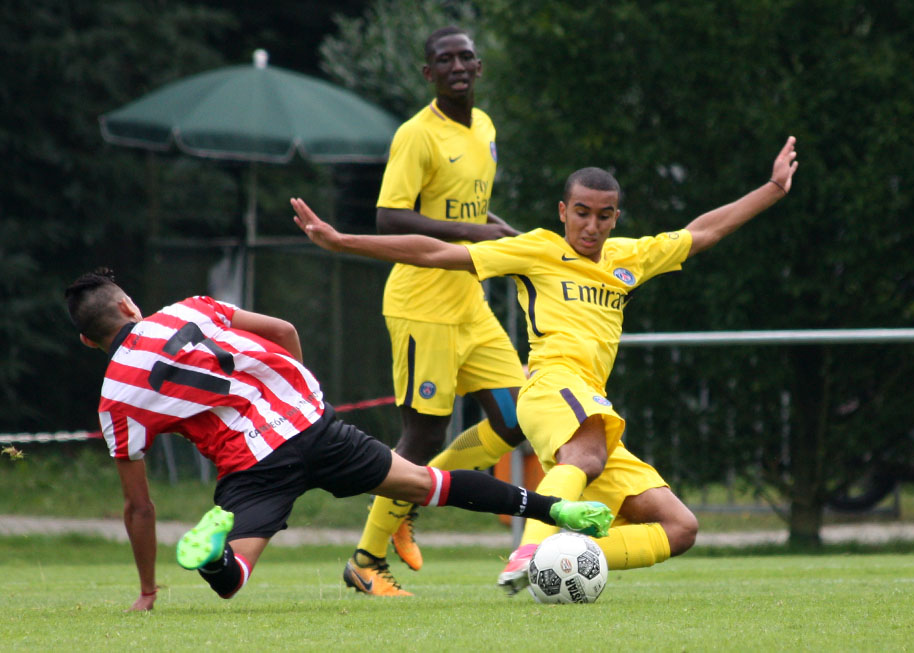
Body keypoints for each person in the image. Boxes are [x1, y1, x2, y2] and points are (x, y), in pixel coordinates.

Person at [291, 135, 800, 595]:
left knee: (679, 527)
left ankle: (566, 560)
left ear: (617, 217)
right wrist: (343, 241)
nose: (591, 225)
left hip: (589, 407)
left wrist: (774, 188)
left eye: (604, 215)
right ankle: (530, 550)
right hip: (553, 388)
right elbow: (438, 251)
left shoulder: (629, 258)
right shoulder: (537, 249)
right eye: (581, 212)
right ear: (562, 210)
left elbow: (703, 232)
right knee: (586, 452)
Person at [63, 268, 614, 611]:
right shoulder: (190, 309)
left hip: (252, 466)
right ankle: (555, 508)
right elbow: (284, 332)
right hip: (315, 426)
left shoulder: (115, 399)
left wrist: (148, 591)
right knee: (430, 483)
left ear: (91, 342)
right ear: (129, 306)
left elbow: (138, 507)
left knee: (231, 579)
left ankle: (210, 557)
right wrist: (301, 407)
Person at [348, 25, 530, 595]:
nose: (457, 65)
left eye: (466, 56)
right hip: (421, 306)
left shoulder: (484, 128)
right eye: (444, 59)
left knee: (517, 417)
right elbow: (388, 218)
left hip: (469, 303)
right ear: (428, 74)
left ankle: (409, 502)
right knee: (421, 434)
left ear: (479, 67)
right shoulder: (417, 135)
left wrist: (531, 249)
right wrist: (471, 232)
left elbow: (480, 214)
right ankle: (365, 561)